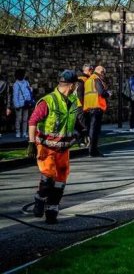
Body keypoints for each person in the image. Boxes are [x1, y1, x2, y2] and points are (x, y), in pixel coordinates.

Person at [27, 70, 86, 224]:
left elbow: (73, 118)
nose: (77, 87)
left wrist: (82, 130)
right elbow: (33, 121)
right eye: (76, 85)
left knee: (60, 182)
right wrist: (31, 143)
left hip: (63, 149)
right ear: (72, 85)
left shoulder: (73, 100)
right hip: (46, 147)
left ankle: (52, 211)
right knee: (47, 178)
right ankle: (40, 199)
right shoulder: (48, 101)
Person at [83, 65, 111, 157]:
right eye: (103, 73)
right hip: (96, 107)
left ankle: (92, 150)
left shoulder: (88, 80)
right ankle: (93, 151)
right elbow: (101, 92)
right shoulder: (96, 79)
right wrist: (108, 94)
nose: (104, 75)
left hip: (89, 107)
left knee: (92, 129)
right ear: (100, 72)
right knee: (95, 130)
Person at [12, 69, 34, 138]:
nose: (24, 75)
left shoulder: (26, 82)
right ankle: (18, 132)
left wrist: (30, 91)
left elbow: (28, 92)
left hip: (26, 103)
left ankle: (24, 132)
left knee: (25, 119)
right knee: (19, 119)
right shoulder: (16, 84)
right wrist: (17, 105)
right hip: (19, 104)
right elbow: (15, 96)